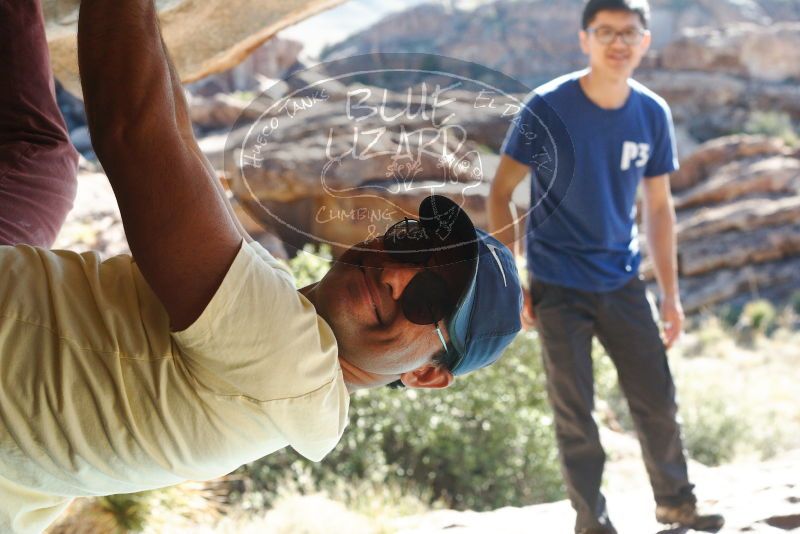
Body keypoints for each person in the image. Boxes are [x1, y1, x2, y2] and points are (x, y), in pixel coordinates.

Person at [0, 1, 523, 532]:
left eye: (431, 298)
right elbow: (181, 143)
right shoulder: (293, 351)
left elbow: (134, 132)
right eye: (412, 244)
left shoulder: (291, 363)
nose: (396, 274)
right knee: (45, 163)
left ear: (426, 374)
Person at [488, 1, 724, 533]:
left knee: (657, 400)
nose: (618, 42)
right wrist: (513, 276)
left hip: (622, 280)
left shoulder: (651, 112)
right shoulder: (548, 106)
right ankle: (591, 522)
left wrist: (671, 294)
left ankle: (676, 505)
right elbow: (500, 193)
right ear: (584, 39)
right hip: (555, 284)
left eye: (629, 33)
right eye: (606, 32)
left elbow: (659, 208)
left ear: (644, 41)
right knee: (577, 415)